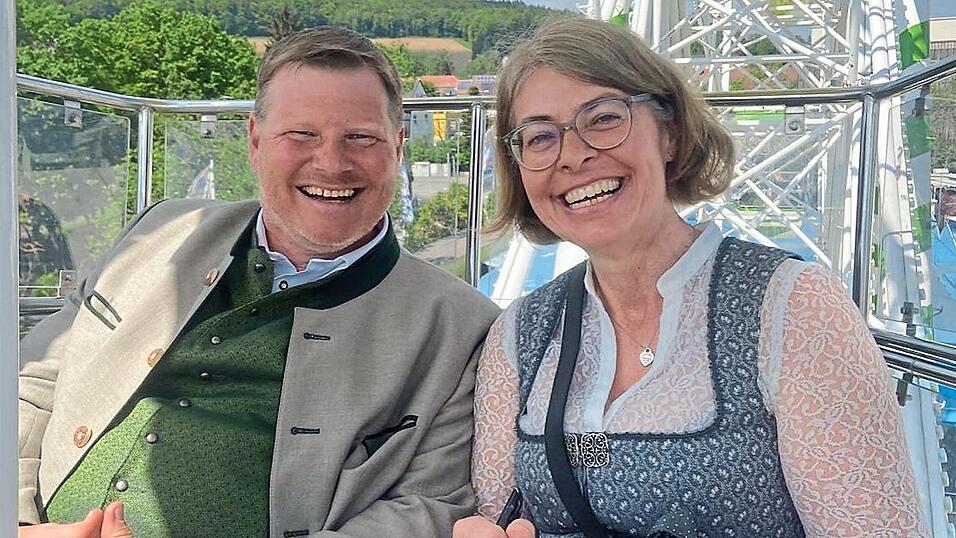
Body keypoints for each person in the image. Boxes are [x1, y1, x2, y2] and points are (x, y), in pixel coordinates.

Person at [454, 16, 928, 538]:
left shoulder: (791, 310)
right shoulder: (522, 334)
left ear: (671, 134)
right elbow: (504, 509)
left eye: (604, 117)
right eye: (540, 137)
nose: (573, 155)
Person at [18, 26, 500, 537]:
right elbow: (34, 386)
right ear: (254, 141)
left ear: (398, 147)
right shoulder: (159, 233)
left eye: (360, 137)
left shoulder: (459, 328)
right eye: (302, 135)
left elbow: (430, 504)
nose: (332, 163)